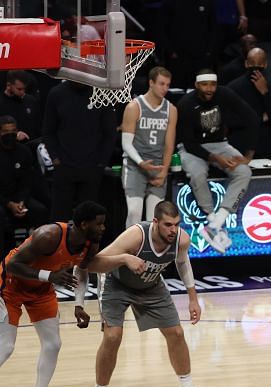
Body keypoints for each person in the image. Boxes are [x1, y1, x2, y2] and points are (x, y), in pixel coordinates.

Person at [0, 201, 145, 387]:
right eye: (99, 224)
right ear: (83, 224)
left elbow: (82, 271)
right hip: (10, 285)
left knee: (53, 344)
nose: (103, 228)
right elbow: (11, 264)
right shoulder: (48, 235)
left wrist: (79, 305)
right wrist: (50, 275)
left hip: (41, 289)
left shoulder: (91, 243)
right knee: (6, 346)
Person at [86, 200, 211, 387]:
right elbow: (93, 263)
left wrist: (193, 297)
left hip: (151, 285)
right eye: (167, 225)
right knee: (112, 337)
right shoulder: (136, 236)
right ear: (155, 222)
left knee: (176, 333)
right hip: (117, 283)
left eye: (176, 224)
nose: (173, 230)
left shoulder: (181, 239)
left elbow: (183, 262)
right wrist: (125, 258)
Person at [177, 68, 258, 254]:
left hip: (220, 144)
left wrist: (249, 156)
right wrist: (216, 159)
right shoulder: (186, 104)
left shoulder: (225, 94)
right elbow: (189, 144)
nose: (209, 89)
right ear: (197, 85)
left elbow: (252, 117)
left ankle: (217, 223)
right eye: (205, 84)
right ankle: (211, 220)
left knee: (245, 171)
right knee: (197, 174)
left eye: (213, 84)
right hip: (193, 148)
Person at [42, 81, 117, 222]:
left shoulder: (101, 93)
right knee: (59, 219)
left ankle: (88, 245)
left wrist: (100, 163)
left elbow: (110, 133)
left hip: (92, 168)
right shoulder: (56, 93)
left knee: (89, 221)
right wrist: (56, 158)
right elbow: (48, 131)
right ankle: (59, 244)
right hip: (64, 167)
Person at [120, 66, 177, 228]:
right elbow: (126, 143)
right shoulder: (134, 107)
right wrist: (140, 162)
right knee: (134, 213)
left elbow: (169, 144)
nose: (165, 88)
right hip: (135, 166)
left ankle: (148, 252)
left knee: (154, 219)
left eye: (167, 85)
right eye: (161, 84)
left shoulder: (171, 110)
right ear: (151, 83)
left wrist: (164, 171)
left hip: (157, 166)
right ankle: (130, 249)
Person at [0, 116, 48, 253]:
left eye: (13, 131)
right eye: (6, 131)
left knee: (41, 211)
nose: (10, 135)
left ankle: (40, 253)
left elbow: (27, 182)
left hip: (20, 198)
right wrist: (9, 204)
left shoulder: (24, 151)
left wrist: (21, 201)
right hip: (2, 200)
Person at [227, 48, 271, 159]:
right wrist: (259, 118)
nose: (256, 67)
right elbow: (229, 120)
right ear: (246, 64)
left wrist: (265, 93)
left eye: (260, 63)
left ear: (266, 64)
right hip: (240, 146)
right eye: (252, 63)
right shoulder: (233, 88)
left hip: (266, 148)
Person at [0, 71, 42, 144]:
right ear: (9, 85)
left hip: (32, 146)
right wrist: (14, 134)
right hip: (9, 146)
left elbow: (38, 125)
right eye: (19, 89)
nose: (22, 92)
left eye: (24, 89)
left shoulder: (30, 100)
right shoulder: (1, 103)